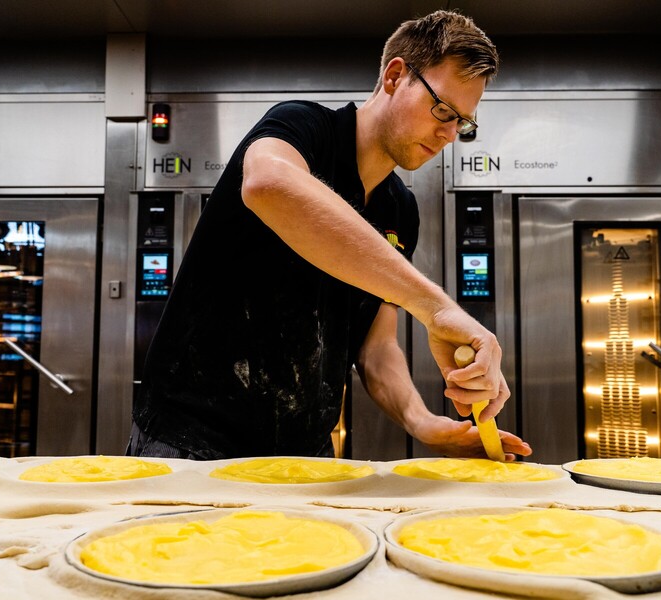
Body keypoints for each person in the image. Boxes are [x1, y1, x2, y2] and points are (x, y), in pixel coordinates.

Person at [128, 10, 532, 461]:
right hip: (189, 439)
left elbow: (375, 348)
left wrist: (425, 423)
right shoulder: (303, 129)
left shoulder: (399, 209)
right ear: (396, 76)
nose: (449, 134)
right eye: (443, 109)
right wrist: (435, 308)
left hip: (303, 454)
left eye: (463, 123)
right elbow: (268, 184)